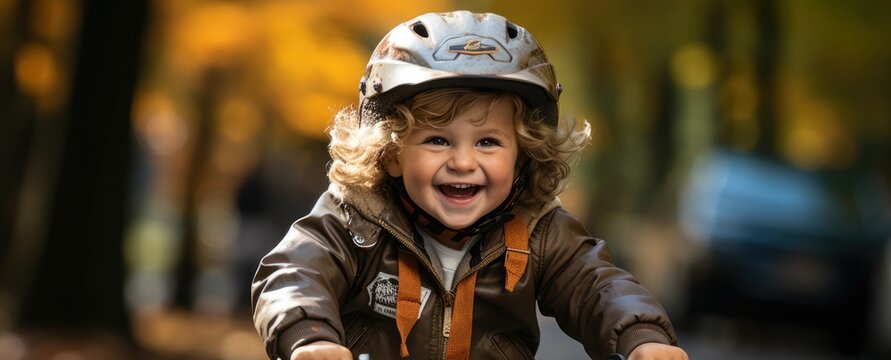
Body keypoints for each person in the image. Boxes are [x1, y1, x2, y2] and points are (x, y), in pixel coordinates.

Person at [252, 10, 688, 360]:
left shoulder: (538, 230)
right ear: (391, 153)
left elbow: (597, 284)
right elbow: (294, 272)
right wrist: (309, 336)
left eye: (488, 142)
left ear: (524, 153)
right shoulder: (354, 219)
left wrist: (640, 334)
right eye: (437, 140)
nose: (463, 162)